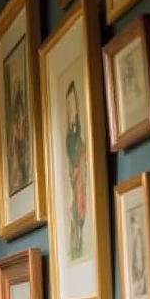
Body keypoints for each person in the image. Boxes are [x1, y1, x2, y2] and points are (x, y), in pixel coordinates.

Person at [64, 80, 88, 260]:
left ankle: (77, 245)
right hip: (77, 182)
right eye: (69, 107)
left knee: (78, 210)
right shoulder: (69, 139)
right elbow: (72, 169)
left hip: (81, 181)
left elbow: (81, 162)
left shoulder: (76, 138)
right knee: (75, 210)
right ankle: (76, 246)